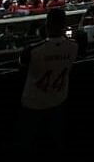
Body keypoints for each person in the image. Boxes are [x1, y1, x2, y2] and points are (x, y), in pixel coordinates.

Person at [19, 8, 79, 148]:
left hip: (33, 104)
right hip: (59, 100)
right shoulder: (74, 47)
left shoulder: (32, 50)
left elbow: (21, 70)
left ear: (46, 25)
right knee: (55, 144)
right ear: (64, 25)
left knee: (31, 144)